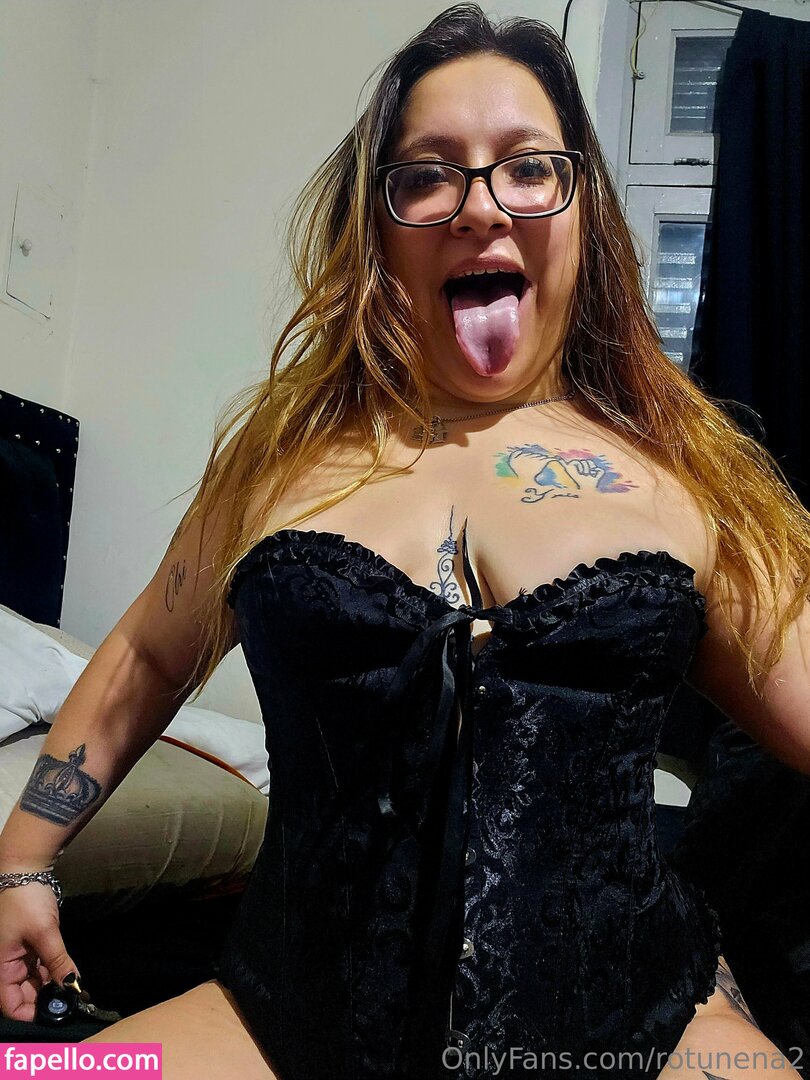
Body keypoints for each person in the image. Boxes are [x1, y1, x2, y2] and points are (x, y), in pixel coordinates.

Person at [1, 5, 808, 1078]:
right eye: (428, 175)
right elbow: (150, 653)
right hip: (281, 1020)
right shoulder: (277, 465)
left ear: (584, 210)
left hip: (641, 1030)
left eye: (528, 166)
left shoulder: (689, 480)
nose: (481, 205)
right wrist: (22, 860)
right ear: (378, 226)